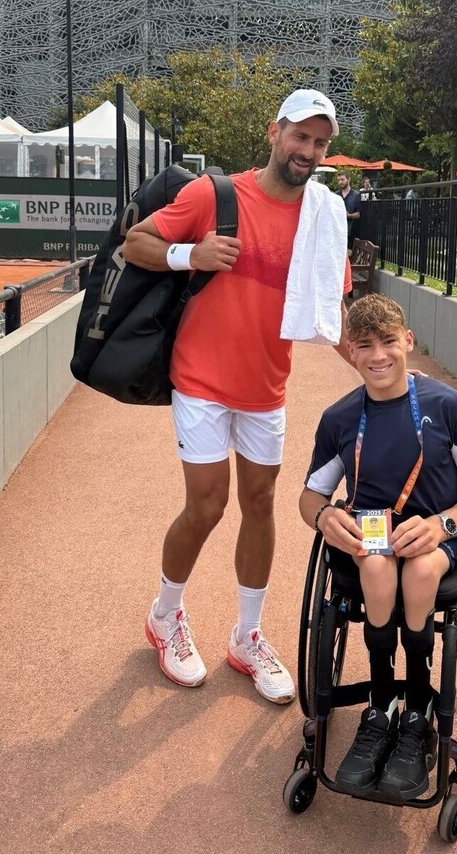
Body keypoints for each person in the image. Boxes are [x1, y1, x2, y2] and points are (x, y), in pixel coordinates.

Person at [122, 88, 353, 704]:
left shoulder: (324, 217)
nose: (309, 150)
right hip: (200, 379)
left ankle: (247, 637)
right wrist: (189, 253)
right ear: (275, 133)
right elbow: (135, 241)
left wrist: (387, 376)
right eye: (300, 136)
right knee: (206, 505)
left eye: (320, 142)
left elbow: (333, 312)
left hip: (266, 386)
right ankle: (164, 616)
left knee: (260, 502)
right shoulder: (214, 194)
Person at [299, 294, 457, 798]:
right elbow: (310, 497)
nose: (378, 355)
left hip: (434, 532)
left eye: (388, 341)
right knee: (375, 566)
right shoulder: (339, 418)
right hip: (372, 534)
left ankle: (417, 709)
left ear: (408, 341)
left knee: (421, 570)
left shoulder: (447, 406)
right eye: (364, 345)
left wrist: (443, 525)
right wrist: (324, 517)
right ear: (350, 351)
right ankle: (381, 706)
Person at [336, 172, 362, 250]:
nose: (340, 182)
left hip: (350, 230)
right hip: (337, 230)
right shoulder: (335, 195)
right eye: (338, 180)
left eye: (342, 179)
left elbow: (358, 214)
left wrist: (348, 215)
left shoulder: (356, 195)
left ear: (349, 179)